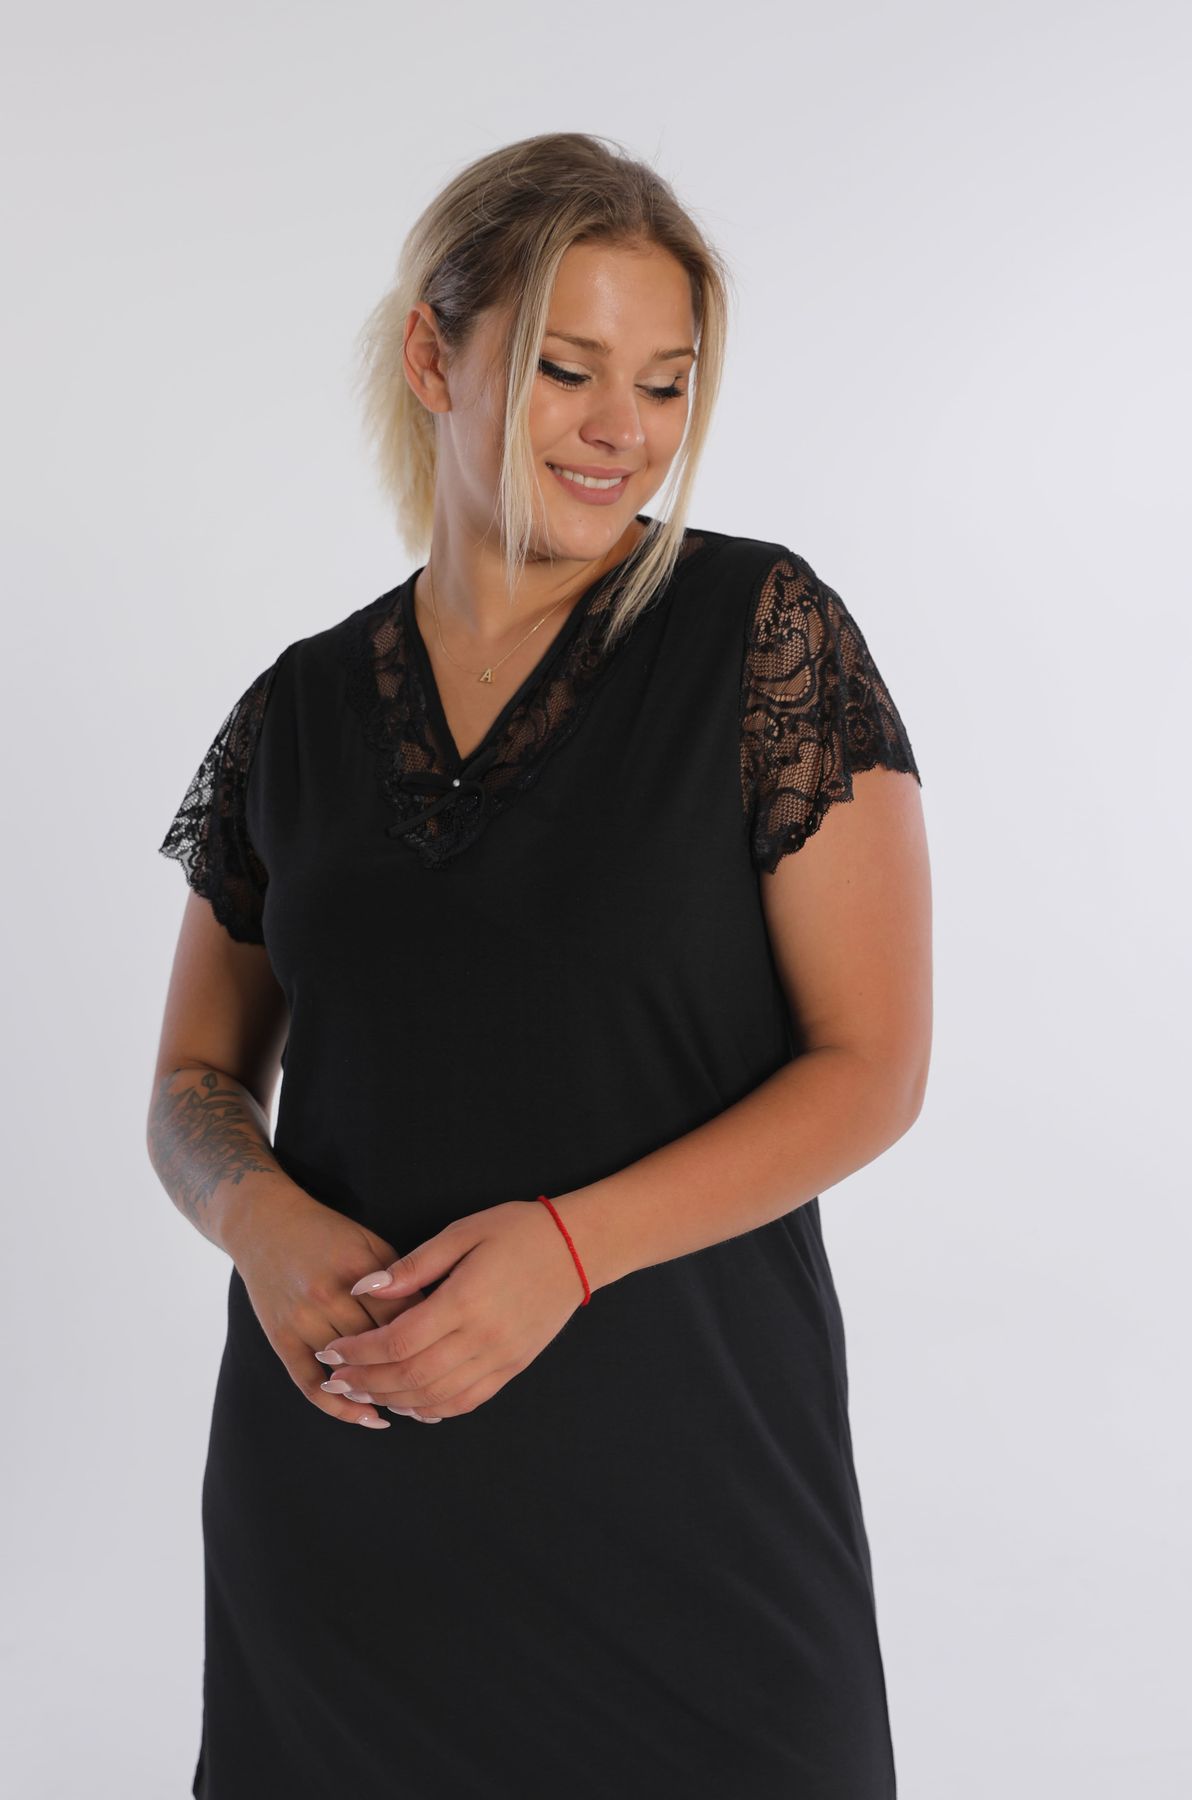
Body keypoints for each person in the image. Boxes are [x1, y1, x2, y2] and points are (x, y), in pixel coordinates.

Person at [148, 129, 931, 1800]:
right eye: (570, 370)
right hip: (341, 1530)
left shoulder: (760, 637)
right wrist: (260, 1220)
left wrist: (571, 1252)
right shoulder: (297, 710)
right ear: (436, 358)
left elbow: (871, 1069)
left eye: (666, 384)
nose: (621, 429)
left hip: (694, 1522)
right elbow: (194, 1082)